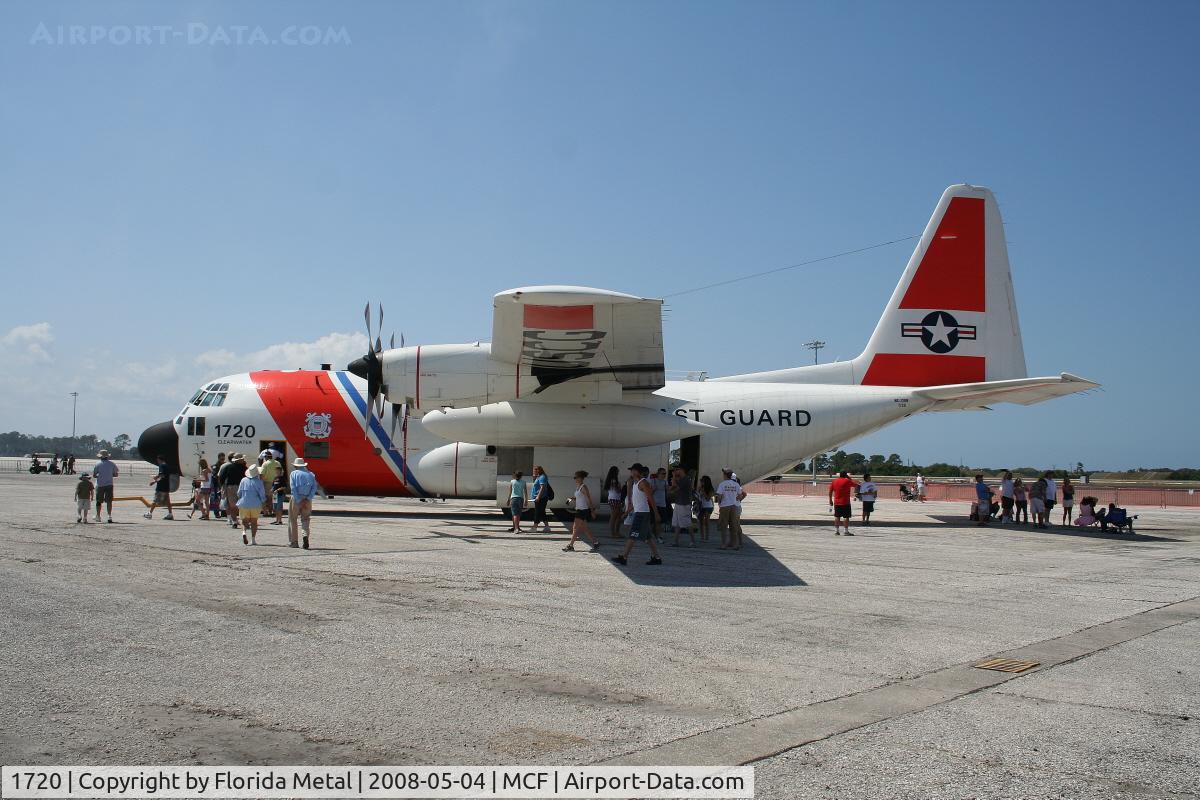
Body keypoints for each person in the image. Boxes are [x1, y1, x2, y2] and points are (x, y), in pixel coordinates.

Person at [612, 464, 662, 566]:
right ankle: (657, 558)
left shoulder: (643, 483)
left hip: (642, 514)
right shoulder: (635, 484)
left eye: (632, 470)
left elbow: (651, 499)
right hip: (639, 513)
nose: (631, 472)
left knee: (632, 535)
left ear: (637, 472)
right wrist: (626, 512)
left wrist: (656, 513)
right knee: (647, 538)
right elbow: (635, 503)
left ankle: (624, 557)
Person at [562, 470, 600, 552]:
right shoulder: (578, 487)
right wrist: (571, 499)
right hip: (579, 509)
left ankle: (570, 545)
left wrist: (592, 511)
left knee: (575, 527)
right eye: (574, 477)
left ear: (580, 478)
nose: (574, 479)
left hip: (582, 510)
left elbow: (589, 499)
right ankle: (596, 542)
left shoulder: (583, 487)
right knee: (584, 528)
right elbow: (579, 498)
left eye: (576, 477)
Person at [288, 458, 318, 549]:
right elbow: (314, 488)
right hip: (307, 499)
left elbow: (293, 488)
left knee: (293, 520)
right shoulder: (311, 474)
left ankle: (294, 542)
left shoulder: (293, 474)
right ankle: (305, 535)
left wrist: (299, 500)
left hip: (296, 499)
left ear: (295, 466)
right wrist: (307, 498)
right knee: (305, 519)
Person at [717, 468, 748, 547]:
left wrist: (719, 504)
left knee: (724, 526)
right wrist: (737, 499)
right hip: (733, 506)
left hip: (725, 506)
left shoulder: (722, 484)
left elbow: (719, 496)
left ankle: (724, 544)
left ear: (725, 475)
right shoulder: (736, 484)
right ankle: (735, 544)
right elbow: (741, 494)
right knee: (733, 525)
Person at [237, 465, 267, 545]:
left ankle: (244, 533)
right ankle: (253, 540)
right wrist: (264, 504)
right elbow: (262, 495)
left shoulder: (243, 480)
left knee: (244, 521)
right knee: (254, 522)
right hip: (255, 504)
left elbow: (239, 493)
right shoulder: (259, 482)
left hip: (244, 503)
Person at [219, 452, 247, 529]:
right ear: (240, 460)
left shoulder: (228, 467)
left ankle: (234, 521)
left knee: (232, 506)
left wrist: (222, 486)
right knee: (243, 505)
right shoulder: (244, 468)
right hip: (242, 488)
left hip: (230, 487)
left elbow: (221, 477)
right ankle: (244, 521)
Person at [91, 449, 119, 523]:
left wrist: (100, 476)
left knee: (98, 501)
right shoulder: (112, 464)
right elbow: (116, 474)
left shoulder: (98, 464)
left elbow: (94, 475)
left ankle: (98, 516)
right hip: (109, 484)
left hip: (100, 485)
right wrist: (110, 474)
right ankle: (109, 516)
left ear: (100, 456)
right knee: (109, 501)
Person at [670, 467, 695, 547]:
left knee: (687, 523)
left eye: (677, 469)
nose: (676, 471)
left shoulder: (685, 480)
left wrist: (673, 476)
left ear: (682, 470)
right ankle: (675, 541)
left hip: (684, 504)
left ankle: (693, 541)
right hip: (679, 503)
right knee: (677, 523)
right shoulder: (682, 479)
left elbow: (675, 487)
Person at [828, 470, 859, 536]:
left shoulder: (834, 481)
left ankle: (837, 531)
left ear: (839, 475)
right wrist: (849, 478)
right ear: (845, 475)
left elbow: (830, 492)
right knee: (846, 517)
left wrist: (830, 500)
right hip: (845, 502)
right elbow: (855, 485)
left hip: (837, 502)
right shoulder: (847, 481)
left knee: (837, 516)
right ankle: (846, 531)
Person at [145, 455, 175, 520]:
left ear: (160, 459)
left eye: (158, 460)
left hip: (161, 486)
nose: (157, 461)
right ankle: (170, 514)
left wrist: (154, 481)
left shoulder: (161, 466)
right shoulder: (167, 466)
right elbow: (164, 475)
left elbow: (161, 476)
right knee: (168, 501)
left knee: (155, 500)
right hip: (166, 486)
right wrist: (157, 476)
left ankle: (150, 513)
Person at [603, 466, 624, 539]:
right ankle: (614, 533)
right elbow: (618, 490)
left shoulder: (611, 480)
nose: (618, 472)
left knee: (617, 516)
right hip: (614, 499)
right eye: (617, 471)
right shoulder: (614, 480)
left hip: (613, 498)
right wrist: (621, 487)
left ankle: (616, 532)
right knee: (615, 516)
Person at [530, 465, 552, 533]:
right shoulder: (539, 477)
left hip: (541, 498)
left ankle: (535, 527)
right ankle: (547, 527)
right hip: (539, 497)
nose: (534, 471)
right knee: (542, 512)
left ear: (539, 470)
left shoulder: (542, 477)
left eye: (536, 469)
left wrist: (538, 497)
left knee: (538, 512)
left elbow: (542, 488)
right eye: (534, 470)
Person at [650, 468, 670, 542]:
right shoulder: (653, 481)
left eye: (665, 473)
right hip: (654, 504)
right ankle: (652, 536)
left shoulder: (665, 482)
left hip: (662, 504)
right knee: (652, 522)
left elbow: (668, 493)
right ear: (658, 474)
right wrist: (653, 490)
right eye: (663, 473)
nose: (664, 475)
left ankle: (658, 536)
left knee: (659, 521)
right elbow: (649, 493)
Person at [696, 475, 716, 542]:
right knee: (701, 521)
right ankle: (702, 537)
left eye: (702, 481)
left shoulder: (710, 489)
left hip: (708, 506)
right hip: (702, 506)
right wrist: (698, 492)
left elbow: (707, 498)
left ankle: (707, 537)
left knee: (707, 522)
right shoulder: (700, 488)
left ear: (706, 482)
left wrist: (703, 491)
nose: (701, 482)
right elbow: (698, 497)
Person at [209, 453, 226, 518]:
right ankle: (216, 513)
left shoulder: (225, 465)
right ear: (218, 458)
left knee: (223, 499)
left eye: (223, 458)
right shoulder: (215, 466)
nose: (223, 460)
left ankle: (223, 512)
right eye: (222, 459)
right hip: (216, 485)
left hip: (222, 484)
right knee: (215, 499)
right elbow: (215, 475)